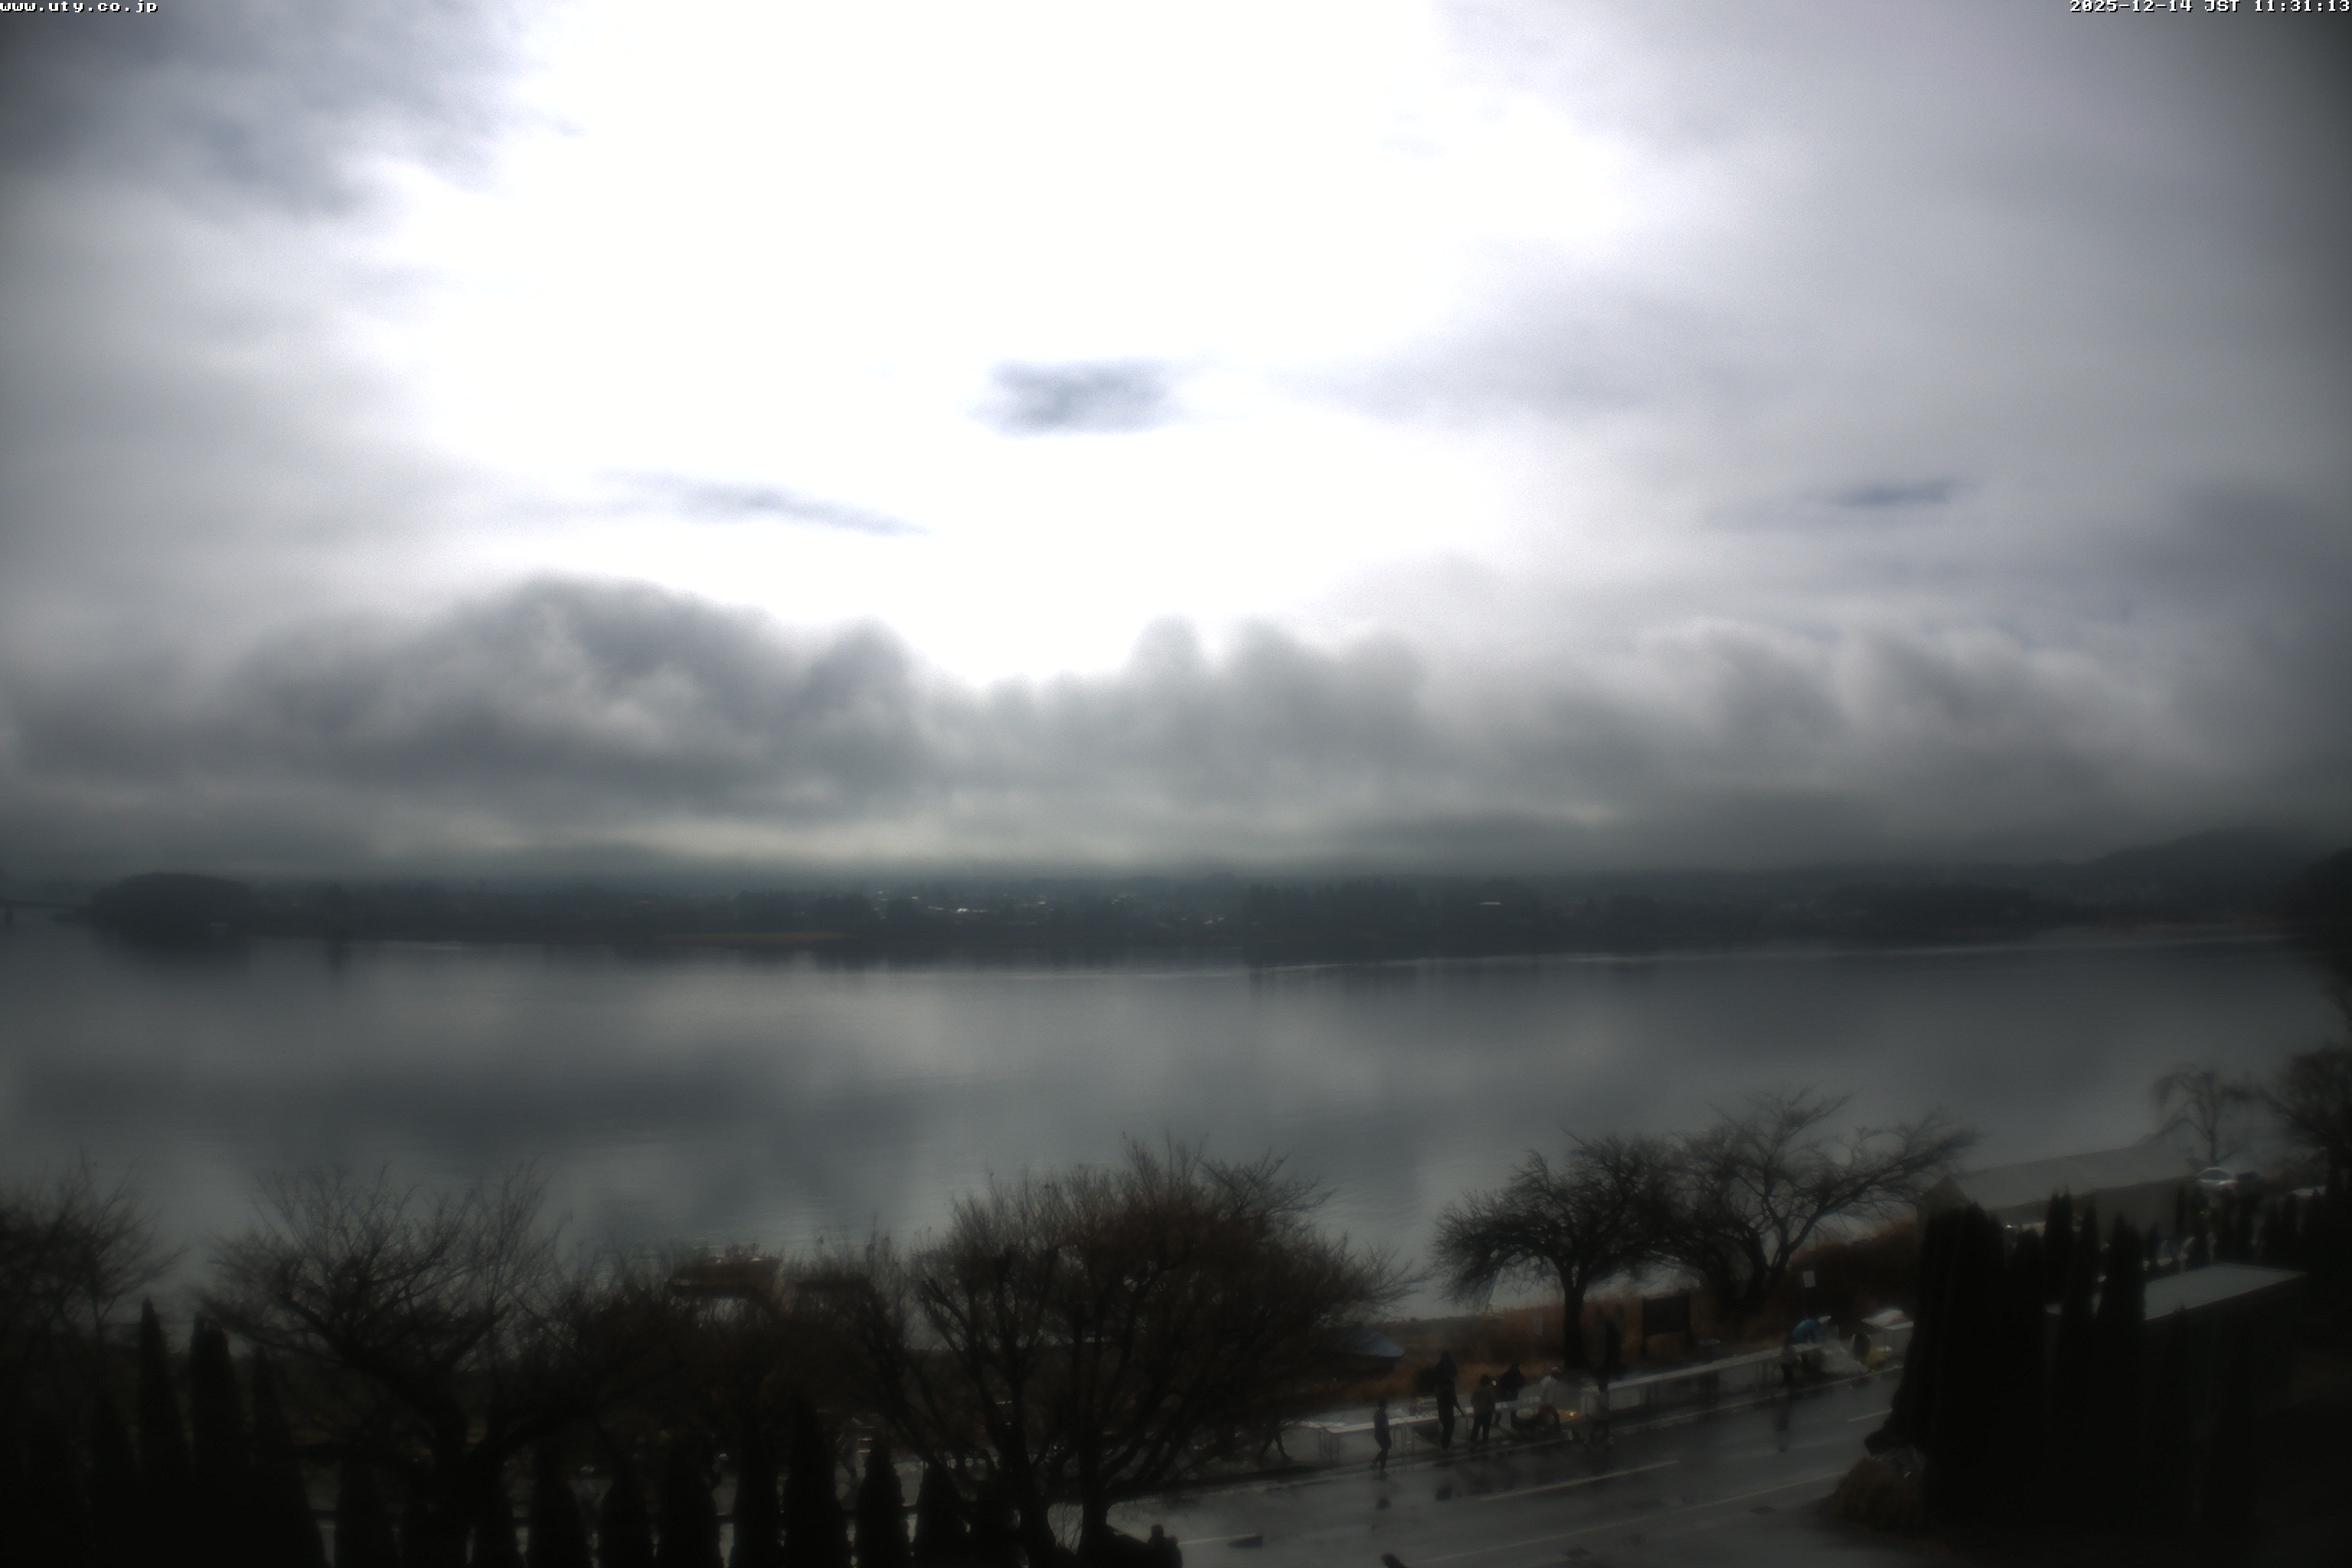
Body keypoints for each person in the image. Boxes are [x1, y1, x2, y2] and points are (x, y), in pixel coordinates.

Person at [1432, 1352, 1459, 1452]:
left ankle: (1445, 1443)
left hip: (1445, 1404)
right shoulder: (1441, 1366)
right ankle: (1445, 1443)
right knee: (1448, 1424)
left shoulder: (1444, 1366)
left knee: (1448, 1424)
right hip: (1445, 1404)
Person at [1469, 1376, 1497, 1446]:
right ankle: (1485, 1441)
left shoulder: (1477, 1389)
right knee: (1486, 1428)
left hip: (1478, 1411)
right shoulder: (1490, 1389)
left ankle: (1472, 1440)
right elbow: (1493, 1400)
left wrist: (1476, 1407)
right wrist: (1493, 1409)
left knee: (1476, 1427)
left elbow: (1472, 1400)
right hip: (1487, 1411)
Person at [1371, 1396, 1391, 1475]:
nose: (1386, 1407)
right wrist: (1388, 1436)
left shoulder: (1377, 1413)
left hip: (1378, 1434)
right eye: (1386, 1405)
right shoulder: (1383, 1414)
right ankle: (1380, 1468)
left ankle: (1375, 1464)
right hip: (1383, 1435)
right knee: (1385, 1452)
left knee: (1384, 1451)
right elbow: (1384, 1426)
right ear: (1383, 1406)